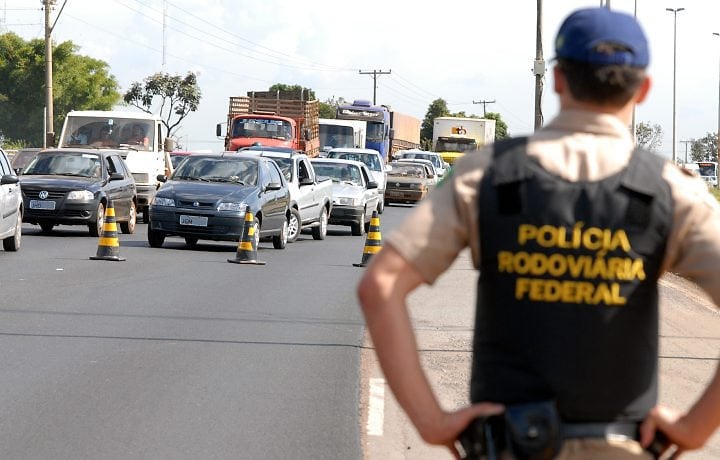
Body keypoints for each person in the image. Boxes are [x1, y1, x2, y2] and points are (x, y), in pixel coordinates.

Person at [357, 7, 720, 460]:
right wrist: (694, 427)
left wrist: (431, 421)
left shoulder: (487, 174)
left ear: (558, 80)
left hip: (508, 444)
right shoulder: (671, 191)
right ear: (644, 88)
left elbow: (380, 285)